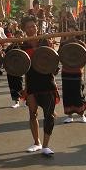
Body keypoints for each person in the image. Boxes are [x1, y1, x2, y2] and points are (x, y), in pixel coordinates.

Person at [20, 16, 60, 156]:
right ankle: (36, 142)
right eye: (29, 27)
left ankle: (46, 145)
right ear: (24, 29)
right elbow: (21, 67)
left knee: (49, 115)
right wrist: (25, 87)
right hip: (32, 82)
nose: (32, 28)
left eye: (34, 26)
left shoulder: (45, 41)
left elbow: (54, 61)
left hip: (47, 81)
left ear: (37, 27)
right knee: (33, 113)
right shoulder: (22, 45)